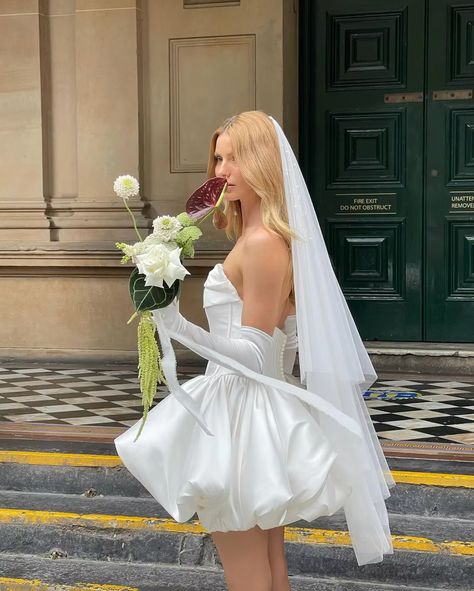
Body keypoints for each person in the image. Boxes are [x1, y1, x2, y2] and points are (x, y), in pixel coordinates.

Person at [114, 111, 395, 591]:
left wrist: (177, 324)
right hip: (258, 414)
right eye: (218, 157)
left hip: (239, 418)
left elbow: (256, 354)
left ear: (264, 162)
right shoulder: (268, 238)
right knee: (269, 571)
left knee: (249, 577)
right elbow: (285, 345)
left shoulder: (262, 243)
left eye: (234, 158)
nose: (221, 170)